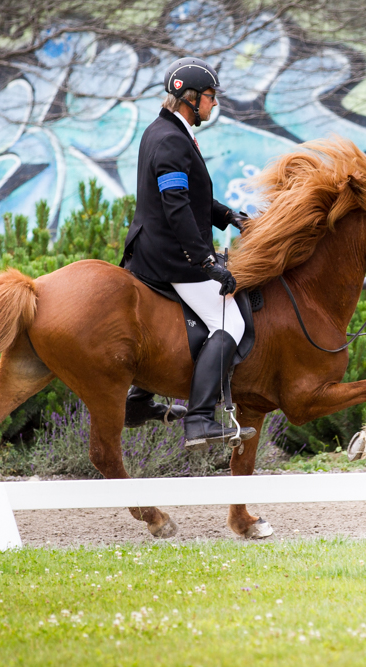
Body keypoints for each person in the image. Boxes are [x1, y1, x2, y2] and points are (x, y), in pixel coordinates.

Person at [120, 56, 255, 451]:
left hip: (158, 246)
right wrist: (207, 262)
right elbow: (175, 205)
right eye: (211, 97)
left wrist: (229, 216)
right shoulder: (171, 141)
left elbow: (193, 196)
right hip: (167, 255)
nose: (215, 105)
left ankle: (139, 399)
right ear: (190, 99)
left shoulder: (167, 131)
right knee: (230, 322)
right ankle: (199, 420)